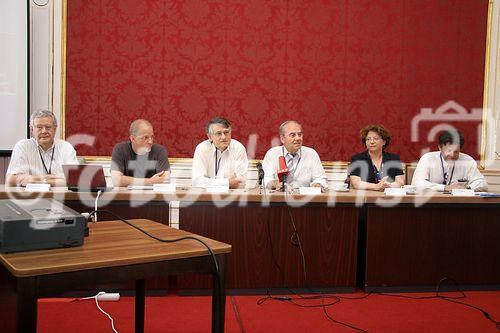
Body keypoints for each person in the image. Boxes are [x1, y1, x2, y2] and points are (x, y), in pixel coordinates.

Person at [6, 110, 78, 186]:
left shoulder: (66, 147)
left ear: (54, 129)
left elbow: (74, 180)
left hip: (60, 197)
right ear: (32, 129)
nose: (44, 131)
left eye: (48, 127)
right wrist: (53, 178)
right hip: (31, 197)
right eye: (39, 127)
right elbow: (11, 180)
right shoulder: (22, 146)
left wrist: (32, 180)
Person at [412, 129, 487, 191]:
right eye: (448, 151)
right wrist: (444, 188)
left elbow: (482, 183)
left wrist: (466, 188)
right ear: (440, 148)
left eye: (456, 152)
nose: (452, 155)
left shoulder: (468, 161)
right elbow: (417, 183)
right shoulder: (428, 159)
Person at [262, 120, 328, 190]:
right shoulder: (272, 154)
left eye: (299, 135)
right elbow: (266, 179)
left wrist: (318, 184)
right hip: (279, 197)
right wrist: (276, 184)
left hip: (304, 198)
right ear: (282, 139)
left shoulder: (311, 153)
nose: (298, 138)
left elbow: (321, 179)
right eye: (292, 135)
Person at [111, 119, 170, 186]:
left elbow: (165, 179)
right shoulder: (120, 149)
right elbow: (116, 181)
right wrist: (150, 181)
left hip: (152, 195)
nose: (150, 141)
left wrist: (129, 181)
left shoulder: (159, 151)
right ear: (133, 139)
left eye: (152, 137)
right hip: (126, 195)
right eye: (145, 138)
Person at [192, 117, 248, 188]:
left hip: (232, 196)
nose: (224, 137)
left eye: (226, 132)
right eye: (219, 133)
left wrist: (208, 182)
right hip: (207, 196)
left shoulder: (238, 148)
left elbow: (240, 182)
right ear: (210, 137)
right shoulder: (202, 148)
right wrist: (228, 183)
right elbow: (197, 182)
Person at [347, 124, 405, 191]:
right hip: (365, 198)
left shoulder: (394, 159)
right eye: (368, 139)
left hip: (388, 197)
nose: (371, 142)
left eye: (375, 138)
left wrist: (389, 185)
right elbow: (356, 183)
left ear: (384, 142)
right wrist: (377, 186)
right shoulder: (357, 159)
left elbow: (400, 182)